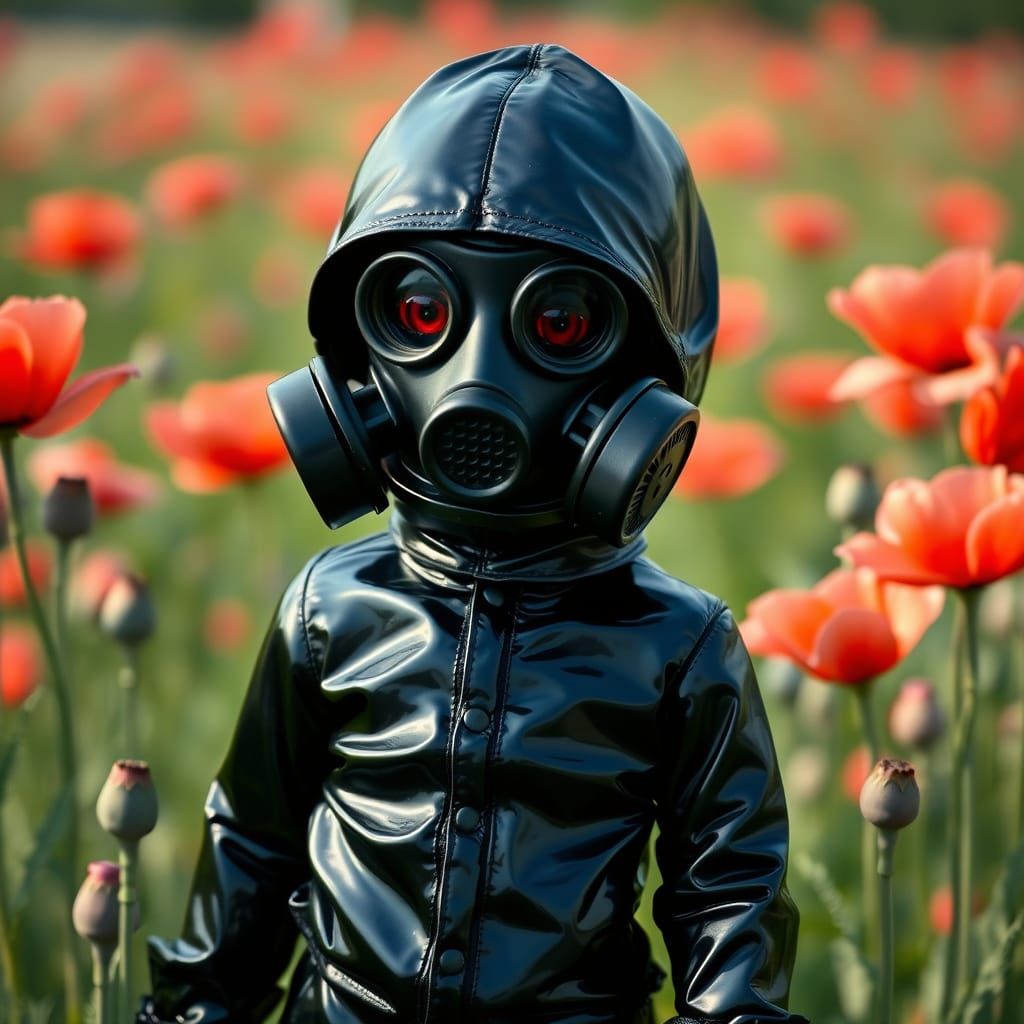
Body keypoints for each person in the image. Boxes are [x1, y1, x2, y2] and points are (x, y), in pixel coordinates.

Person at [142, 44, 807, 1024]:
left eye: (561, 324)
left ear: (649, 370)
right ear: (354, 358)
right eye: (422, 312)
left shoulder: (676, 647)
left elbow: (729, 901)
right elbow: (249, 850)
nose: (475, 382)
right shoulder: (331, 610)